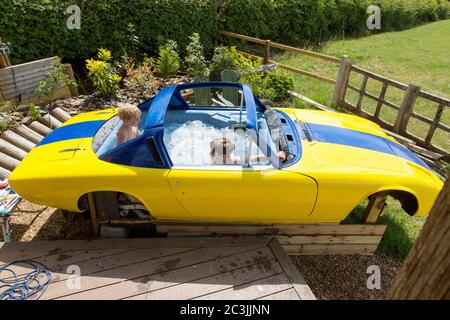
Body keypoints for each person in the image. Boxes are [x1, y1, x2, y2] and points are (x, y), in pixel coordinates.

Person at [210, 137, 286, 165]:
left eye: (213, 152)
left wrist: (274, 155)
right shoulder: (215, 155)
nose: (210, 153)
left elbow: (254, 158)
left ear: (223, 156)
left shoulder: (232, 161)